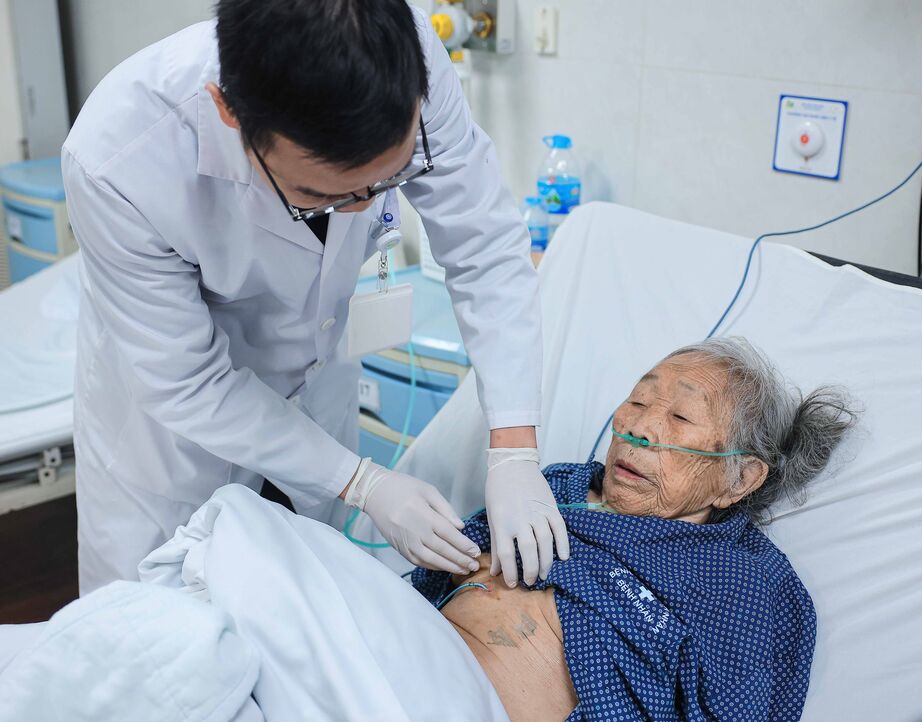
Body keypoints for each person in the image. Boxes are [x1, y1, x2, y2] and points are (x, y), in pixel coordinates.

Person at [62, 0, 568, 594]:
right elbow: (190, 382)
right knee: (161, 632)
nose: (362, 208)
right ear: (228, 112)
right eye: (321, 196)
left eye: (388, 179)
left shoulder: (405, 55)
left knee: (308, 614)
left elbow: (484, 244)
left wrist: (514, 448)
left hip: (318, 395)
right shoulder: (119, 160)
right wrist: (361, 483)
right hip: (177, 446)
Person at [415, 337, 858, 720]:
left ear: (740, 479)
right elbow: (442, 564)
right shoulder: (556, 484)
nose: (639, 428)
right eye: (638, 401)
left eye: (681, 418)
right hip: (405, 648)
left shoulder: (741, 580)